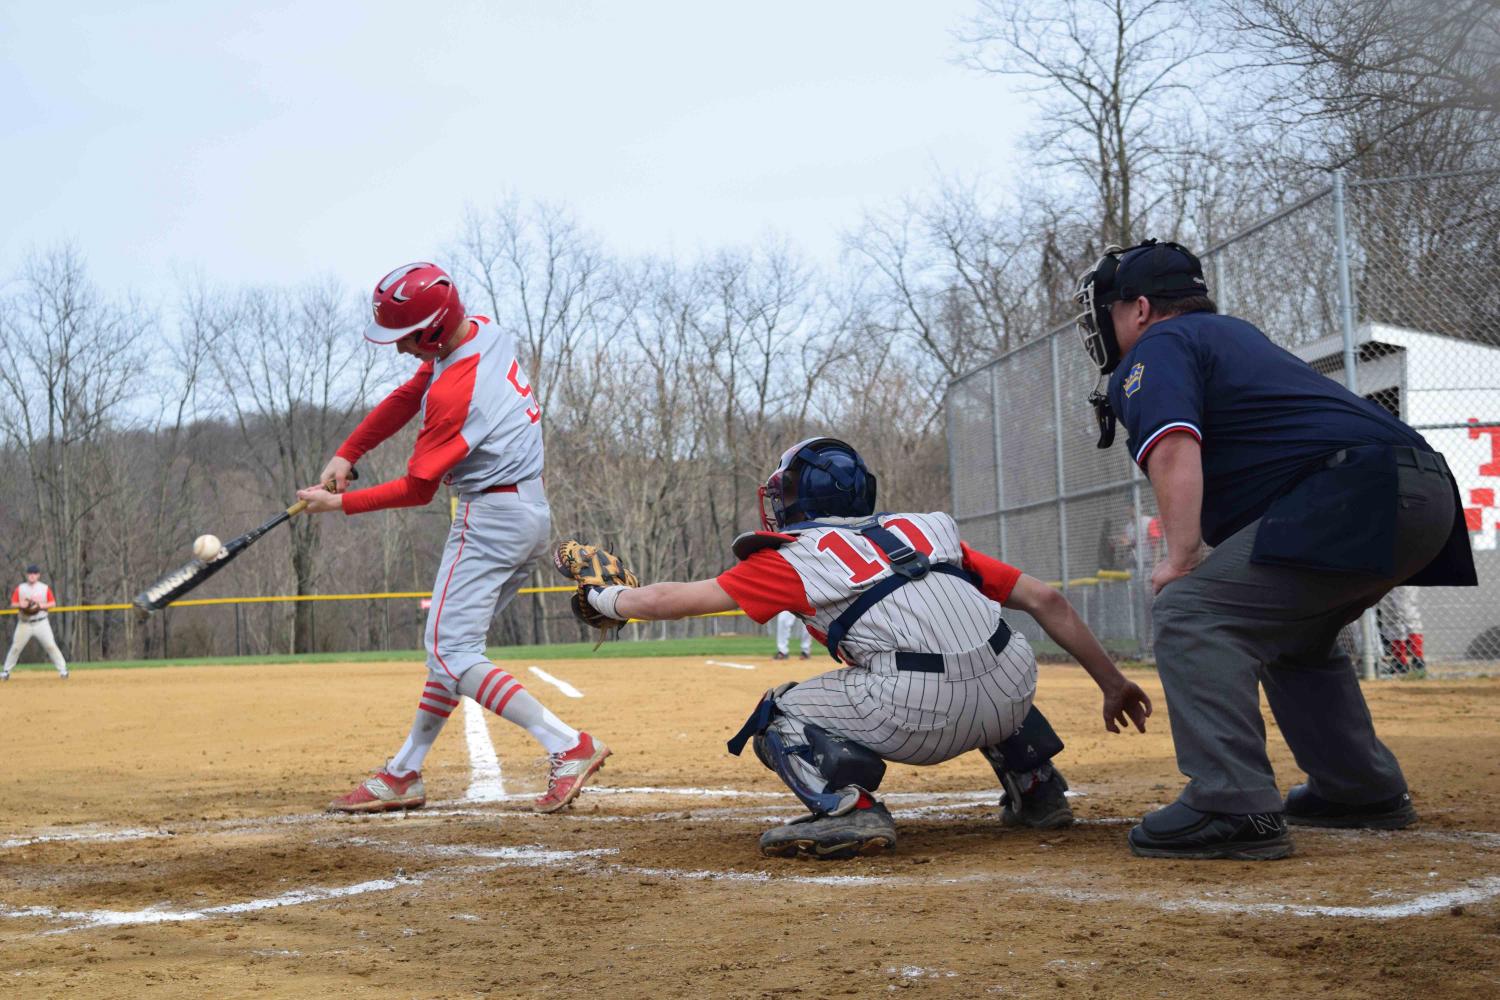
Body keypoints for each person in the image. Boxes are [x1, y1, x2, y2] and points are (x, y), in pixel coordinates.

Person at [1074, 239, 1477, 860]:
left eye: (1110, 306)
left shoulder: (1157, 348)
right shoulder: (1232, 335)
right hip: (1424, 490)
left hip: (1357, 490)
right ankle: (1358, 789)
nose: (1104, 320)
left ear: (1144, 308)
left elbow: (1176, 445)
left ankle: (1231, 806)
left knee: (1191, 611)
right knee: (1295, 639)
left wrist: (1180, 560)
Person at [566, 437, 1151, 859]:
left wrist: (607, 599)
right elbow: (1046, 600)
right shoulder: (923, 531)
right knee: (990, 652)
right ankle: (1037, 788)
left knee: (777, 713)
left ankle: (850, 811)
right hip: (1011, 690)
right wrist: (1112, 681)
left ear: (794, 500)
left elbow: (671, 598)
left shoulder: (793, 556)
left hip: (917, 710)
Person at [297, 262, 609, 815]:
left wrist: (336, 503)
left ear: (436, 329)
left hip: (489, 520)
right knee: (451, 651)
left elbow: (418, 489)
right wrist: (349, 452)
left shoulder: (456, 393)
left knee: (450, 650)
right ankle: (403, 772)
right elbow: (405, 395)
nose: (400, 350)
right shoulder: (480, 330)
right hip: (527, 512)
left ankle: (567, 744)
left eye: (407, 338)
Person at [3, 564, 68, 681]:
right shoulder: (21, 588)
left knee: (50, 646)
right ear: (27, 575)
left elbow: (52, 603)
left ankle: (63, 670)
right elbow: (13, 603)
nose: (32, 576)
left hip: (41, 622)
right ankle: (6, 671)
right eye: (30, 574)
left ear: (38, 575)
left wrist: (41, 606)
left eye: (34, 574)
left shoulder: (44, 588)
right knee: (16, 648)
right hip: (24, 623)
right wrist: (20, 605)